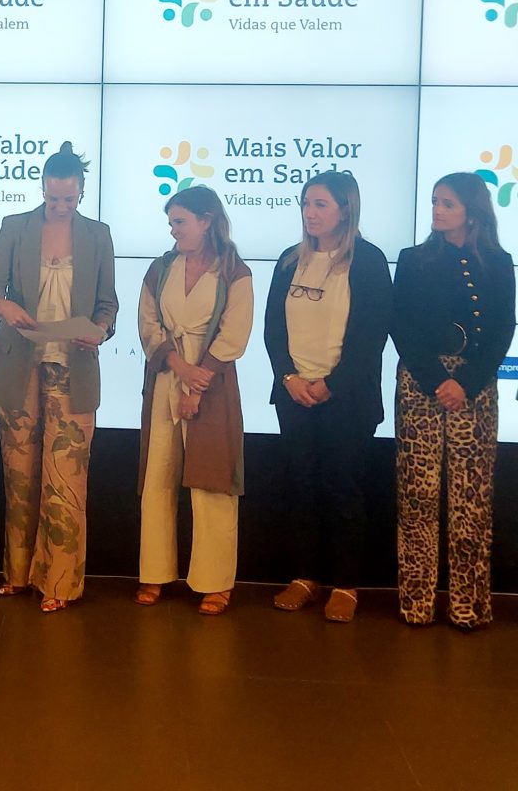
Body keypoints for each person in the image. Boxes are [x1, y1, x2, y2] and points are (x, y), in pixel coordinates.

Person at [0, 142, 117, 613]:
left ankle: (59, 583)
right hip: (19, 363)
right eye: (54, 197)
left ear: (81, 192)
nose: (60, 206)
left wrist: (100, 330)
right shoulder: (14, 227)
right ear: (42, 188)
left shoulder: (98, 235)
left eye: (69, 199)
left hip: (73, 365)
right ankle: (18, 574)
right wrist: (5, 306)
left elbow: (107, 304)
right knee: (19, 476)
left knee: (66, 480)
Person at [264, 171, 391, 623]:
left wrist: (330, 384)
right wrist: (288, 378)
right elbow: (273, 329)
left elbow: (371, 335)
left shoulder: (369, 260)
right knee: (301, 486)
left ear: (345, 209)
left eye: (320, 204)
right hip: (294, 395)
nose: (310, 213)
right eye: (305, 203)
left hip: (346, 398)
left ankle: (345, 585)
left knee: (343, 489)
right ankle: (305, 578)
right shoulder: (289, 260)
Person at [391, 172, 514, 630]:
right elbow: (400, 325)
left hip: (475, 389)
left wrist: (466, 382)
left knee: (471, 499)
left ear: (472, 211)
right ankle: (416, 601)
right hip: (421, 384)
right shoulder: (413, 259)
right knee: (417, 495)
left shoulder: (499, 262)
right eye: (434, 201)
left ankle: (468, 603)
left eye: (447, 203)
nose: (437, 210)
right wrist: (436, 379)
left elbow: (502, 329)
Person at [136, 186, 252, 616]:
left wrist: (196, 383)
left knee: (211, 483)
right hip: (166, 378)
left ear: (207, 221)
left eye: (180, 222)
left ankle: (215, 582)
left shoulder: (235, 271)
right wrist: (177, 367)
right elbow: (148, 322)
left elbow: (234, 334)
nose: (173, 230)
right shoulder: (161, 267)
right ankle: (154, 571)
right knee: (158, 475)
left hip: (212, 386)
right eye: (171, 223)